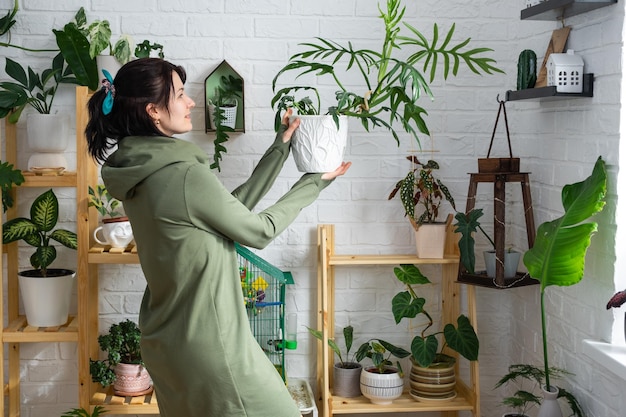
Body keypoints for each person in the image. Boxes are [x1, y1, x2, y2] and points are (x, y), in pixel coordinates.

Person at [85, 58, 351, 417]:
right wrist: (313, 182)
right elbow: (257, 231)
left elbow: (225, 212)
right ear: (154, 112)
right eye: (180, 94)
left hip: (166, 345)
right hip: (212, 350)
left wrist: (279, 150)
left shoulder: (138, 170)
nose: (191, 101)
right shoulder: (181, 174)